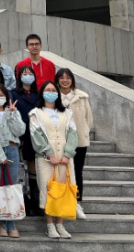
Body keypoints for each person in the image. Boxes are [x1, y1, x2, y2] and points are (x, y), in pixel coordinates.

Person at [29, 81, 78, 240]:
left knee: (63, 189)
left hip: (64, 157)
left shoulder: (67, 113)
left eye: (53, 90)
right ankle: (50, 225)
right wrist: (49, 154)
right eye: (47, 90)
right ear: (42, 93)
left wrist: (67, 154)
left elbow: (72, 133)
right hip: (45, 159)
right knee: (47, 190)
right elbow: (36, 135)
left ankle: (60, 224)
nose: (50, 92)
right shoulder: (36, 113)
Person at [0, 84, 26, 238]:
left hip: (12, 148)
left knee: (11, 185)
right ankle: (0, 224)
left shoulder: (13, 111)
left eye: (1, 95)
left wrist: (12, 115)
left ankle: (12, 223)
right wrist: (0, 156)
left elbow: (20, 131)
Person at [56, 68, 93, 221]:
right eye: (62, 78)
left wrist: (83, 132)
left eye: (68, 78)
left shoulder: (82, 97)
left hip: (79, 141)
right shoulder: (54, 96)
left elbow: (88, 118)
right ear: (57, 80)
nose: (65, 80)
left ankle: (77, 203)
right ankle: (62, 202)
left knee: (77, 172)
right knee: (62, 172)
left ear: (72, 80)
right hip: (61, 141)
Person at [11, 65, 41, 217]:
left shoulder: (39, 94)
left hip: (36, 135)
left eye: (30, 73)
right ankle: (25, 202)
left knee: (34, 167)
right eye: (24, 73)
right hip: (21, 135)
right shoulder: (14, 94)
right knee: (21, 171)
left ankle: (36, 201)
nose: (27, 75)